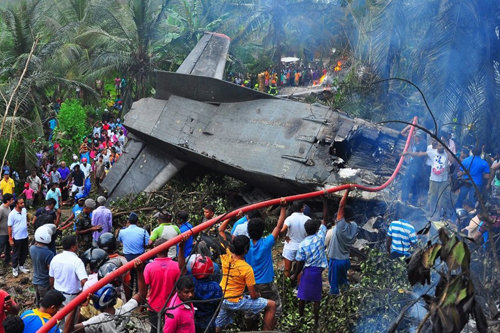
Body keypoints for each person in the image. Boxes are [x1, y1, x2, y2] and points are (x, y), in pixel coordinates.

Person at [65, 258, 147, 333]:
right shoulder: (124, 311)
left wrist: (75, 306)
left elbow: (70, 331)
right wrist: (139, 271)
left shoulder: (98, 321)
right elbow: (141, 293)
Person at [214, 234, 276, 332]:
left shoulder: (225, 255)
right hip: (235, 301)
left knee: (219, 323)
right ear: (246, 250)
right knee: (272, 305)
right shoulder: (247, 268)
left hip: (222, 297)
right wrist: (258, 294)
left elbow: (221, 233)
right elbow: (253, 295)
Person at [243, 199, 286, 329]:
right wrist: (283, 208)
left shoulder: (244, 246)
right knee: (274, 306)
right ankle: (267, 330)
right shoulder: (267, 243)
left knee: (250, 309)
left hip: (250, 283)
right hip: (266, 282)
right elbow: (278, 226)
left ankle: (250, 330)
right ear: (263, 231)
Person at [291, 197, 328, 328]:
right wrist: (324, 202)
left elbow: (299, 262)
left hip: (307, 271)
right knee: (316, 297)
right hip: (318, 271)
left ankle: (300, 318)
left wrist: (295, 275)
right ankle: (316, 322)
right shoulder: (321, 236)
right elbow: (325, 219)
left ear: (306, 231)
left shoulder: (303, 244)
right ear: (317, 229)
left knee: (302, 295)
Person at [406, 141, 452, 219]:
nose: (441, 147)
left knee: (440, 198)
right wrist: (408, 153)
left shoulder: (447, 153)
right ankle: (431, 211)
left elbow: (452, 160)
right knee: (432, 196)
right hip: (433, 179)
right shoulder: (432, 152)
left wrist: (448, 151)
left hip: (443, 180)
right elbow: (419, 154)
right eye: (440, 145)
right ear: (437, 146)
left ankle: (437, 213)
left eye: (443, 146)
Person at [144, 238, 181, 333]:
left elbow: (145, 285)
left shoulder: (149, 267)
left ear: (155, 250)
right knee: (171, 329)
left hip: (153, 305)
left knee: (155, 329)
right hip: (172, 305)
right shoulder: (176, 266)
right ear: (168, 249)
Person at [327, 189, 358, 295]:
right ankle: (346, 297)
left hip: (336, 260)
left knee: (334, 285)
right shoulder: (354, 226)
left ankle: (334, 302)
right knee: (343, 282)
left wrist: (347, 191)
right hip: (345, 260)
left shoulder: (341, 226)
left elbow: (341, 206)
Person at [49, 235, 88, 305]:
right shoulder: (77, 261)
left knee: (59, 314)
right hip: (71, 297)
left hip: (57, 293)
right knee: (71, 315)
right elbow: (84, 281)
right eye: (76, 244)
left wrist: (52, 289)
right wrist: (81, 293)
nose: (77, 246)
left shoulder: (55, 258)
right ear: (73, 247)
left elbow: (51, 277)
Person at [188, 254, 222, 333]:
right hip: (210, 322)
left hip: (194, 321)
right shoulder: (216, 287)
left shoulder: (192, 285)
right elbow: (219, 306)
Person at [117, 212, 149, 291]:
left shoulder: (122, 232)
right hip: (140, 257)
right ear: (137, 222)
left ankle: (130, 296)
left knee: (129, 278)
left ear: (128, 222)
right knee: (140, 277)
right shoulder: (143, 231)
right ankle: (140, 295)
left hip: (127, 258)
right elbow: (148, 243)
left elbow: (119, 241)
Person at [97, 232, 132, 300]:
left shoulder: (97, 260)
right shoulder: (122, 260)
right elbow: (127, 283)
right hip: (118, 298)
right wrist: (127, 299)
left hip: (101, 298)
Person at [280, 201, 310, 278]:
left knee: (287, 268)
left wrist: (284, 236)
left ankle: (286, 287)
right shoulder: (308, 219)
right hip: (302, 246)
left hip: (290, 246)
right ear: (302, 209)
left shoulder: (289, 219)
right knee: (299, 269)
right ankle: (298, 288)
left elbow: (283, 230)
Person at [30, 225, 56, 305]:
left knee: (38, 302)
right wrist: (52, 286)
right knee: (46, 304)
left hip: (35, 280)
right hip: (44, 283)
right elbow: (51, 272)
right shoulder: (49, 254)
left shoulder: (32, 248)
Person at [8, 198, 29, 277]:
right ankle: (14, 268)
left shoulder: (24, 210)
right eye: (21, 203)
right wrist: (10, 238)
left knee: (24, 252)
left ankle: (21, 266)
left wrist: (26, 223)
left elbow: (25, 219)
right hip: (17, 237)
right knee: (16, 253)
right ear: (16, 204)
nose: (23, 204)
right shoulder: (12, 214)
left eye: (23, 202)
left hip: (25, 235)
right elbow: (9, 227)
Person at [0, 194, 13, 272]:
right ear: (8, 201)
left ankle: (7, 261)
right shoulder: (1, 209)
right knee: (1, 247)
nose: (13, 201)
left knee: (8, 248)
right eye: (12, 200)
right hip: (2, 233)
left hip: (8, 232)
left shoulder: (8, 208)